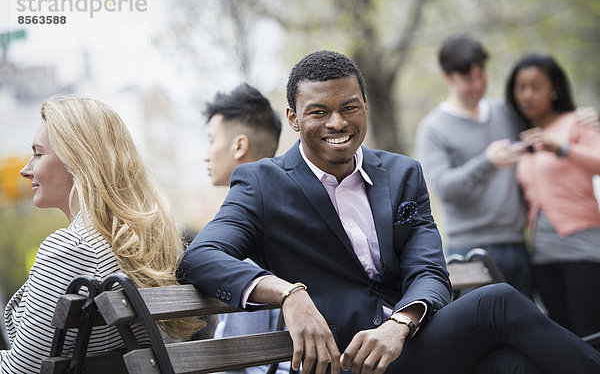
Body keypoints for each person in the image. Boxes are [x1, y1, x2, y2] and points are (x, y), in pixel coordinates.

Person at [181, 50, 600, 374]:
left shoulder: (402, 174)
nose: (337, 123)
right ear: (293, 118)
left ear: (365, 105)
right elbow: (201, 257)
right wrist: (290, 294)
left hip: (409, 340)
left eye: (349, 107)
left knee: (513, 365)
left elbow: (429, 272)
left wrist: (400, 324)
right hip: (347, 357)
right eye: (318, 112)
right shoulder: (262, 182)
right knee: (499, 303)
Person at [1, 97, 202, 373]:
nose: (26, 169)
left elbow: (21, 370)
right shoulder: (144, 246)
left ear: (77, 160)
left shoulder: (71, 248)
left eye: (38, 153)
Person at [415, 33, 534, 298]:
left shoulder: (506, 112)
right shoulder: (433, 128)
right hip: (469, 251)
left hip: (517, 244)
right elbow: (444, 187)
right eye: (468, 78)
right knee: (483, 335)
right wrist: (488, 162)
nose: (478, 84)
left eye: (482, 74)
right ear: (448, 77)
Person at [506, 53, 600, 337]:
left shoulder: (577, 123)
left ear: (554, 88)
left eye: (536, 86)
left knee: (590, 333)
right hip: (542, 254)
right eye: (521, 87)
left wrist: (561, 148)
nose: (527, 95)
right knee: (565, 337)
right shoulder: (523, 137)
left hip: (582, 246)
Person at [203, 83, 287, 374]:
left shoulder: (243, 227)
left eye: (211, 140)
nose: (206, 154)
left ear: (239, 145)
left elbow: (237, 351)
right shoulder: (293, 207)